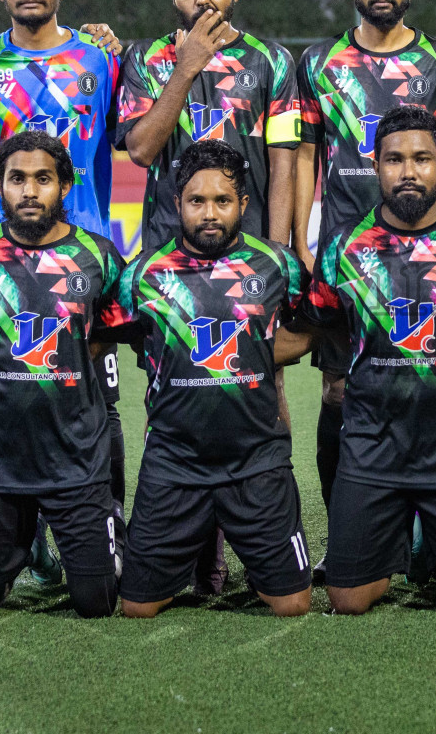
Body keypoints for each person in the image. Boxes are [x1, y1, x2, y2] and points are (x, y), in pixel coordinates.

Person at [0, 0, 128, 587]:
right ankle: (16, 537)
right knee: (8, 398)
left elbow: (133, 138)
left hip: (85, 260)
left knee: (95, 403)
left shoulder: (103, 61)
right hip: (0, 265)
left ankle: (98, 536)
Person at [295, 106, 436, 615]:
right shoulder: (344, 247)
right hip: (374, 451)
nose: (408, 172)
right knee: (348, 601)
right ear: (375, 167)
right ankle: (395, 543)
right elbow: (313, 325)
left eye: (421, 159)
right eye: (394, 160)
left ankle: (429, 547)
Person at [292, 0, 436, 577]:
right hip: (343, 262)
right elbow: (303, 156)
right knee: (340, 394)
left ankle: (428, 546)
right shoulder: (318, 63)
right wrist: (299, 247)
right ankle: (350, 543)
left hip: (424, 262)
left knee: (426, 393)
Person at [114, 141, 313, 618]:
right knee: (137, 608)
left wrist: (256, 353)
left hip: (257, 461)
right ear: (176, 203)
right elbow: (123, 339)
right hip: (174, 462)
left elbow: (310, 331)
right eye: (196, 201)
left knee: (292, 604)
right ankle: (191, 553)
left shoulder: (278, 265)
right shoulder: (142, 275)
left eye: (222, 202)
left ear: (242, 205)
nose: (209, 213)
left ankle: (226, 552)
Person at [0, 130, 129, 618]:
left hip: (75, 464)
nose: (28, 191)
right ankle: (24, 544)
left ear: (64, 185)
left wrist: (67, 355)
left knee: (97, 602)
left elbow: (108, 335)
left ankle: (95, 536)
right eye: (16, 178)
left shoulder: (99, 255)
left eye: (43, 179)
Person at [118, 0, 300, 251]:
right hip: (167, 249)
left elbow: (283, 168)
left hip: (249, 246)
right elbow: (141, 151)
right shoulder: (144, 58)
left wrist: (278, 254)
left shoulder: (273, 61)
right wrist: (186, 68)